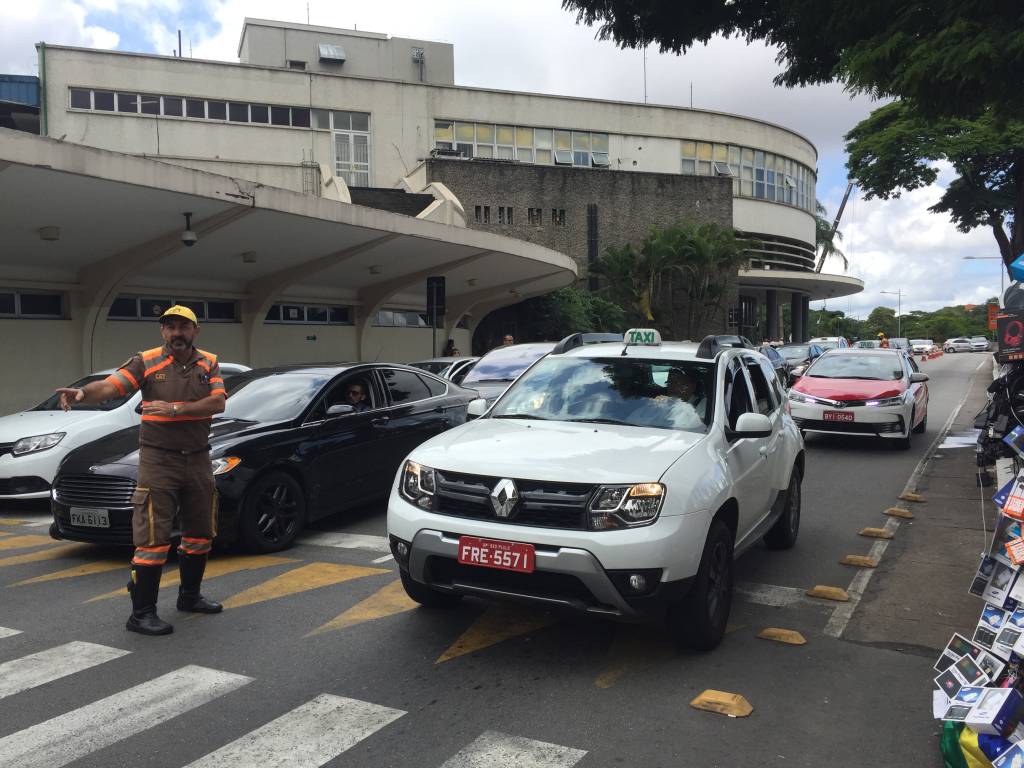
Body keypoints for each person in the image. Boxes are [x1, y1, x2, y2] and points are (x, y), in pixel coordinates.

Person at [54, 305, 226, 636]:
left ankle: (190, 597)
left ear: (195, 331)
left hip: (198, 459)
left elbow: (218, 402)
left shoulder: (209, 362)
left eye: (183, 327)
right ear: (163, 331)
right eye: (170, 327)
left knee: (200, 533)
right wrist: (83, 394)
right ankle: (142, 613)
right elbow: (111, 386)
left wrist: (175, 409)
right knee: (152, 538)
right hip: (159, 461)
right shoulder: (145, 361)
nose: (177, 333)